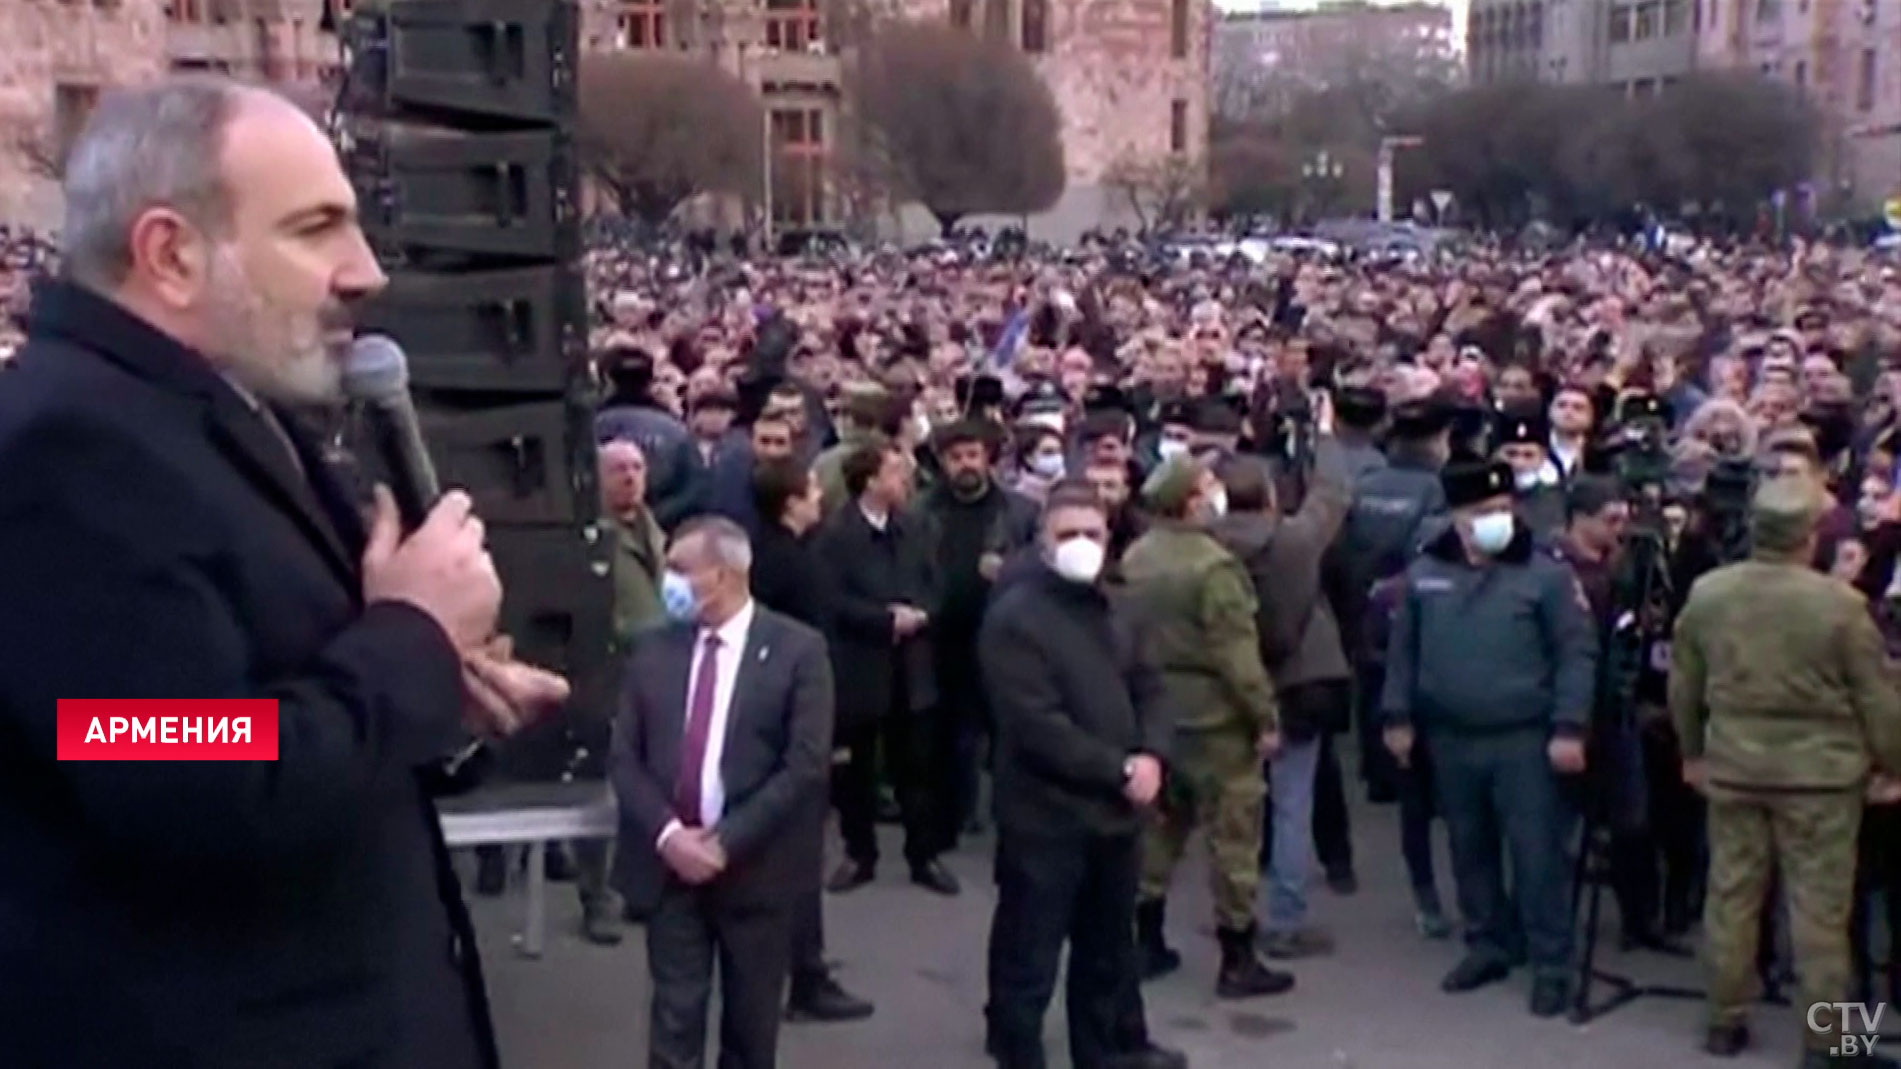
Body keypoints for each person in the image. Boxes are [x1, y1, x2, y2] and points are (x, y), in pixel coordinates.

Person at [0, 76, 567, 1068]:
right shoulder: (69, 450)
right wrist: (410, 638)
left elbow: (258, 700)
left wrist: (432, 686)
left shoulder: (219, 416)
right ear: (170, 254)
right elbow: (165, 752)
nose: (366, 271)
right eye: (316, 228)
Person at [1669, 479, 1901, 1068]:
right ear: (1809, 537)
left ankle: (1724, 1022)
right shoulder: (1840, 606)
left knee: (1731, 896)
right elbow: (1877, 699)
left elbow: (1685, 685)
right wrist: (1894, 765)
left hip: (1735, 765)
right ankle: (1835, 1044)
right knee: (1824, 914)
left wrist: (1693, 751)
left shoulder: (1710, 593)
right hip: (1821, 777)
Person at [610, 516, 835, 1069]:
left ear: (726, 574)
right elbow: (623, 755)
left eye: (682, 570)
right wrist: (669, 838)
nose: (670, 582)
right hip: (670, 873)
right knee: (674, 1021)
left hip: (758, 871)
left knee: (751, 1030)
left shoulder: (797, 651)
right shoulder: (652, 650)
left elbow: (804, 764)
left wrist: (723, 842)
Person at [980, 480, 1188, 1069]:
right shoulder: (1016, 618)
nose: (1080, 544)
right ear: (1043, 541)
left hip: (1117, 815)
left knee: (1105, 950)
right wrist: (1118, 768)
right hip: (1045, 817)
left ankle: (1102, 1053)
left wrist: (1152, 754)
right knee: (1031, 955)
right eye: (1066, 534)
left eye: (1091, 534)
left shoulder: (1120, 606)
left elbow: (1151, 685)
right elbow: (1033, 723)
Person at [1381, 457, 1596, 1018]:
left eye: (1504, 509)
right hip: (1451, 737)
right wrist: (1397, 715)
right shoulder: (1428, 572)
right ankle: (1489, 943)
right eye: (1483, 512)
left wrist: (1570, 726)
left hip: (1524, 738)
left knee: (1536, 854)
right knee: (1468, 847)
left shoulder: (1546, 575)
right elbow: (1404, 651)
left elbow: (1576, 654)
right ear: (1457, 517)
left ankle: (1551, 962)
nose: (1498, 519)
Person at [1120, 455, 1293, 999]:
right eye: (1207, 486)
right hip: (1217, 721)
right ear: (1191, 500)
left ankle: (1144, 940)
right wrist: (1264, 716)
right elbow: (1236, 656)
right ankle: (1237, 958)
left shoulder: (1138, 556)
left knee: (1161, 828)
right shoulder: (1214, 567)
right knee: (1234, 839)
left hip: (1159, 713)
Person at [748, 458, 876, 1023]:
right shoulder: (795, 567)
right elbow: (816, 651)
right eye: (811, 490)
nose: (819, 497)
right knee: (798, 856)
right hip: (798, 725)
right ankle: (804, 974)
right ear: (791, 501)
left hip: (775, 722)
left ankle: (796, 966)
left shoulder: (768, 556)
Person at [817, 433, 956, 895]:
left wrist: (923, 612)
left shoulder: (918, 527)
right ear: (871, 480)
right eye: (897, 473)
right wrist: (883, 619)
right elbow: (831, 600)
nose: (908, 481)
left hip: (912, 666)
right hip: (862, 664)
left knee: (917, 768)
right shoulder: (836, 535)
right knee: (855, 771)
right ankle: (860, 854)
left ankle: (924, 855)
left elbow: (937, 582)